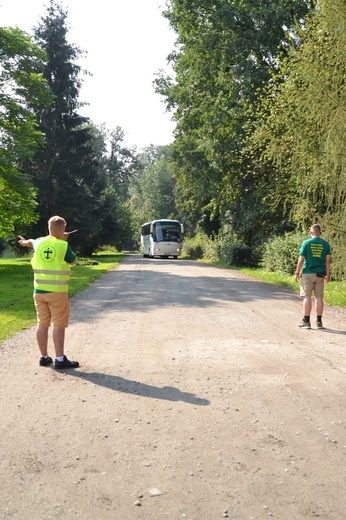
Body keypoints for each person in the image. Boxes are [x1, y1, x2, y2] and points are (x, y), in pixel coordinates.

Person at [18, 216, 80, 369]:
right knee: (59, 324)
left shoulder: (39, 242)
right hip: (57, 293)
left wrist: (23, 242)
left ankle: (44, 357)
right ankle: (59, 359)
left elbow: (30, 242)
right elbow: (73, 262)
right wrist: (64, 242)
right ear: (63, 229)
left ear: (49, 228)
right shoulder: (62, 245)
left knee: (42, 323)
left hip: (39, 291)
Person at [294, 224, 331, 329]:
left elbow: (301, 260)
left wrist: (297, 272)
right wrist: (327, 275)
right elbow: (328, 261)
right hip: (320, 274)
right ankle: (319, 322)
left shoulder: (306, 243)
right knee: (319, 297)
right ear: (320, 233)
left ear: (311, 232)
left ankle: (306, 321)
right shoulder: (326, 244)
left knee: (307, 296)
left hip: (308, 273)